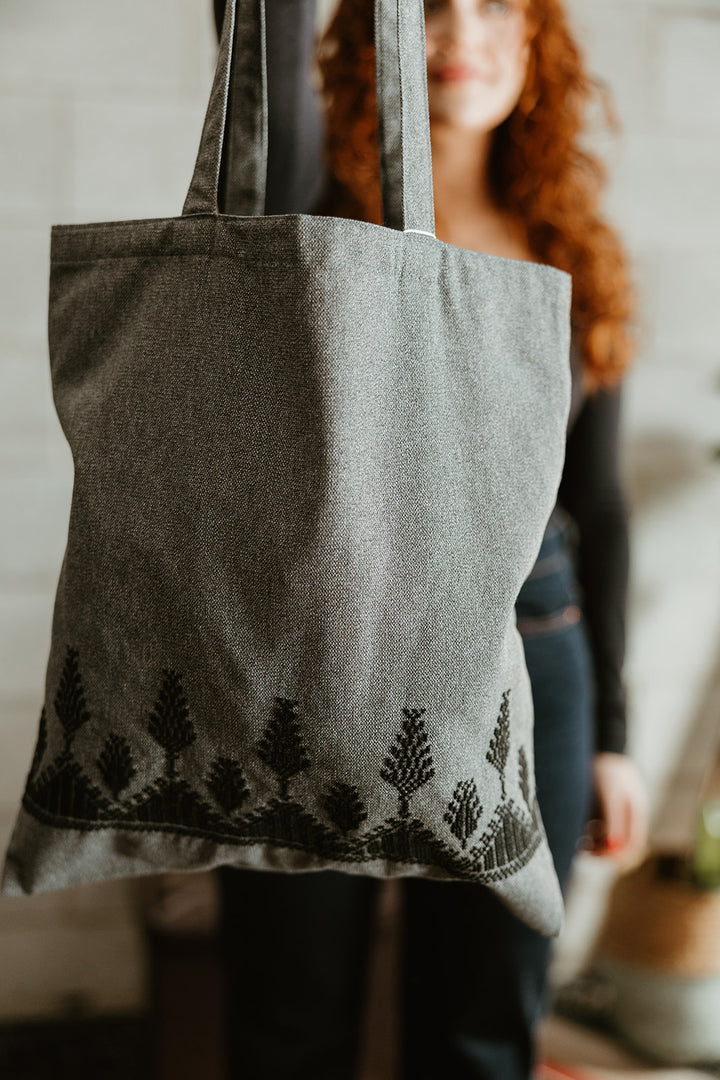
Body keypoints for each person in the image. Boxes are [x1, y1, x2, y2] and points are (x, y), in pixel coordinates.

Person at [212, 0, 650, 1077]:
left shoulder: (570, 252)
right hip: (315, 660)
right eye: (432, 4)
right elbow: (256, 45)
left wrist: (612, 737)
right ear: (377, 34)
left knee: (482, 1029)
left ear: (538, 46)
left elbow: (599, 507)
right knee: (287, 1021)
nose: (460, 31)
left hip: (533, 655)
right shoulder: (311, 213)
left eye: (496, 5)